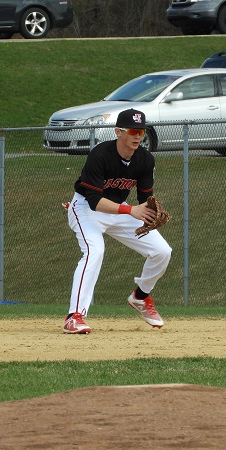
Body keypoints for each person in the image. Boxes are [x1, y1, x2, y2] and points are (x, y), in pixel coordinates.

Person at [63, 108, 172, 334]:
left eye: (141, 131)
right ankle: (74, 316)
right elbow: (94, 200)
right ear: (118, 132)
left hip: (121, 212)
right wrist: (131, 210)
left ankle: (141, 297)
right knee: (95, 251)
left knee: (162, 251)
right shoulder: (100, 154)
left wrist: (150, 211)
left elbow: (144, 198)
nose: (137, 136)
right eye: (132, 130)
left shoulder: (145, 159)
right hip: (86, 209)